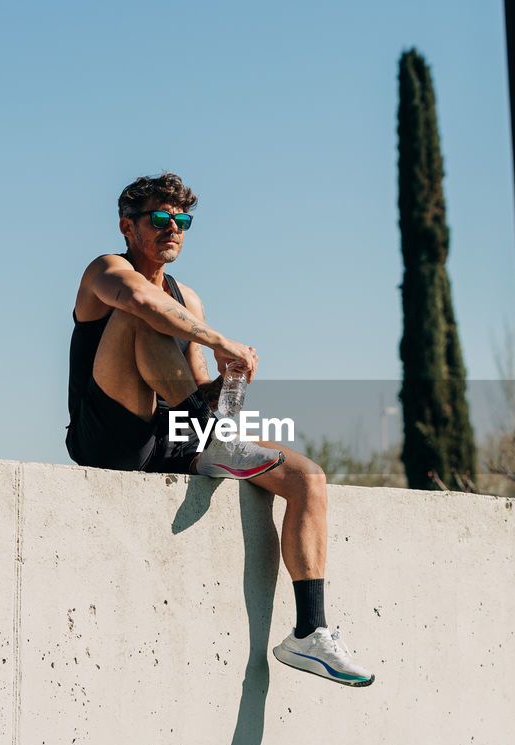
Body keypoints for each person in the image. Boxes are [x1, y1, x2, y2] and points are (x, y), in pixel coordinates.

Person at [66, 172, 374, 687]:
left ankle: (309, 632)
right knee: (142, 314)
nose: (173, 229)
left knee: (306, 478)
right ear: (128, 226)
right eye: (161, 218)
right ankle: (215, 440)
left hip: (171, 432)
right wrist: (221, 341)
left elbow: (193, 384)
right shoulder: (107, 269)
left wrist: (227, 386)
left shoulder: (189, 299)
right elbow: (142, 304)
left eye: (182, 221)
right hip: (108, 435)